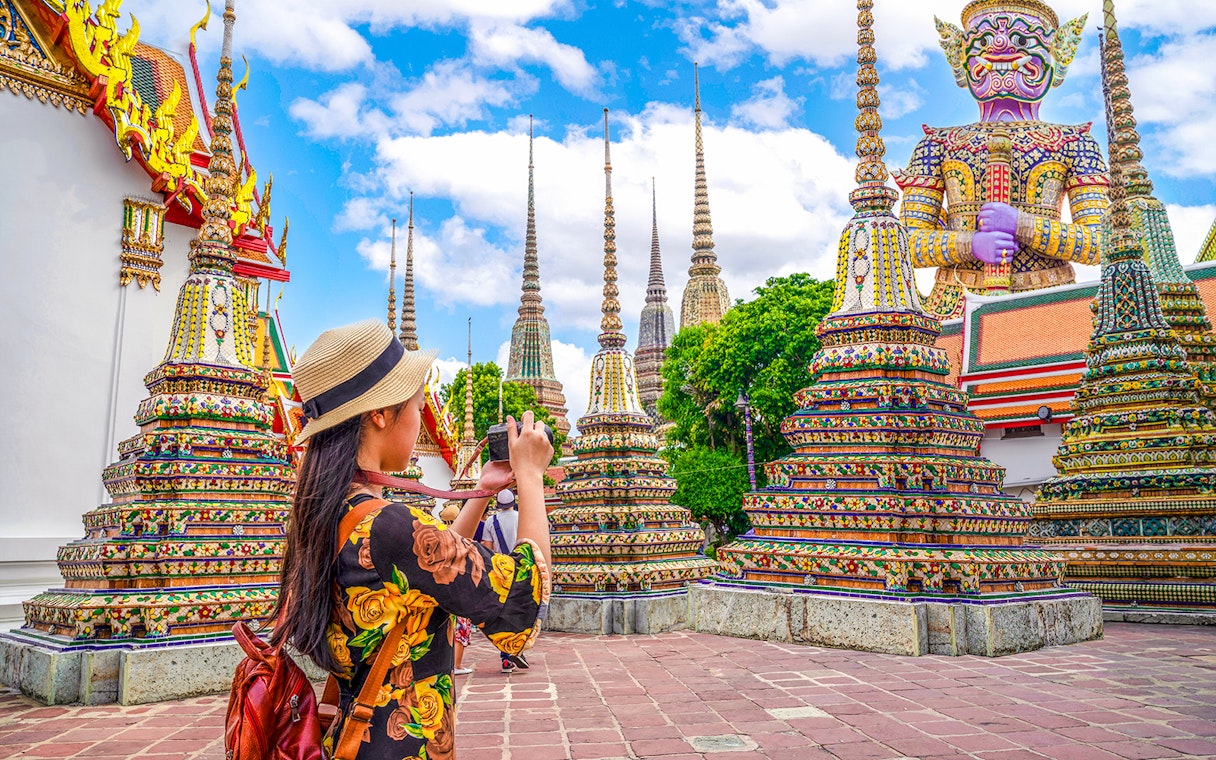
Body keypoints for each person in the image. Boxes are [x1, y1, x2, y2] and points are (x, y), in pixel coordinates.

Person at [271, 320, 553, 759]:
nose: (422, 416)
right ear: (380, 414)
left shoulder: (326, 514)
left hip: (350, 738)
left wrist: (479, 493)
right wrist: (531, 478)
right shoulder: (390, 526)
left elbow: (424, 576)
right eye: (418, 404)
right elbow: (521, 598)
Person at [481, 491, 528, 673]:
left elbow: (487, 549)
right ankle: (518, 648)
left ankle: (506, 656)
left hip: (501, 570)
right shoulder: (522, 518)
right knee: (522, 611)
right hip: (521, 569)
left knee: (503, 613)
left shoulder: (491, 522)